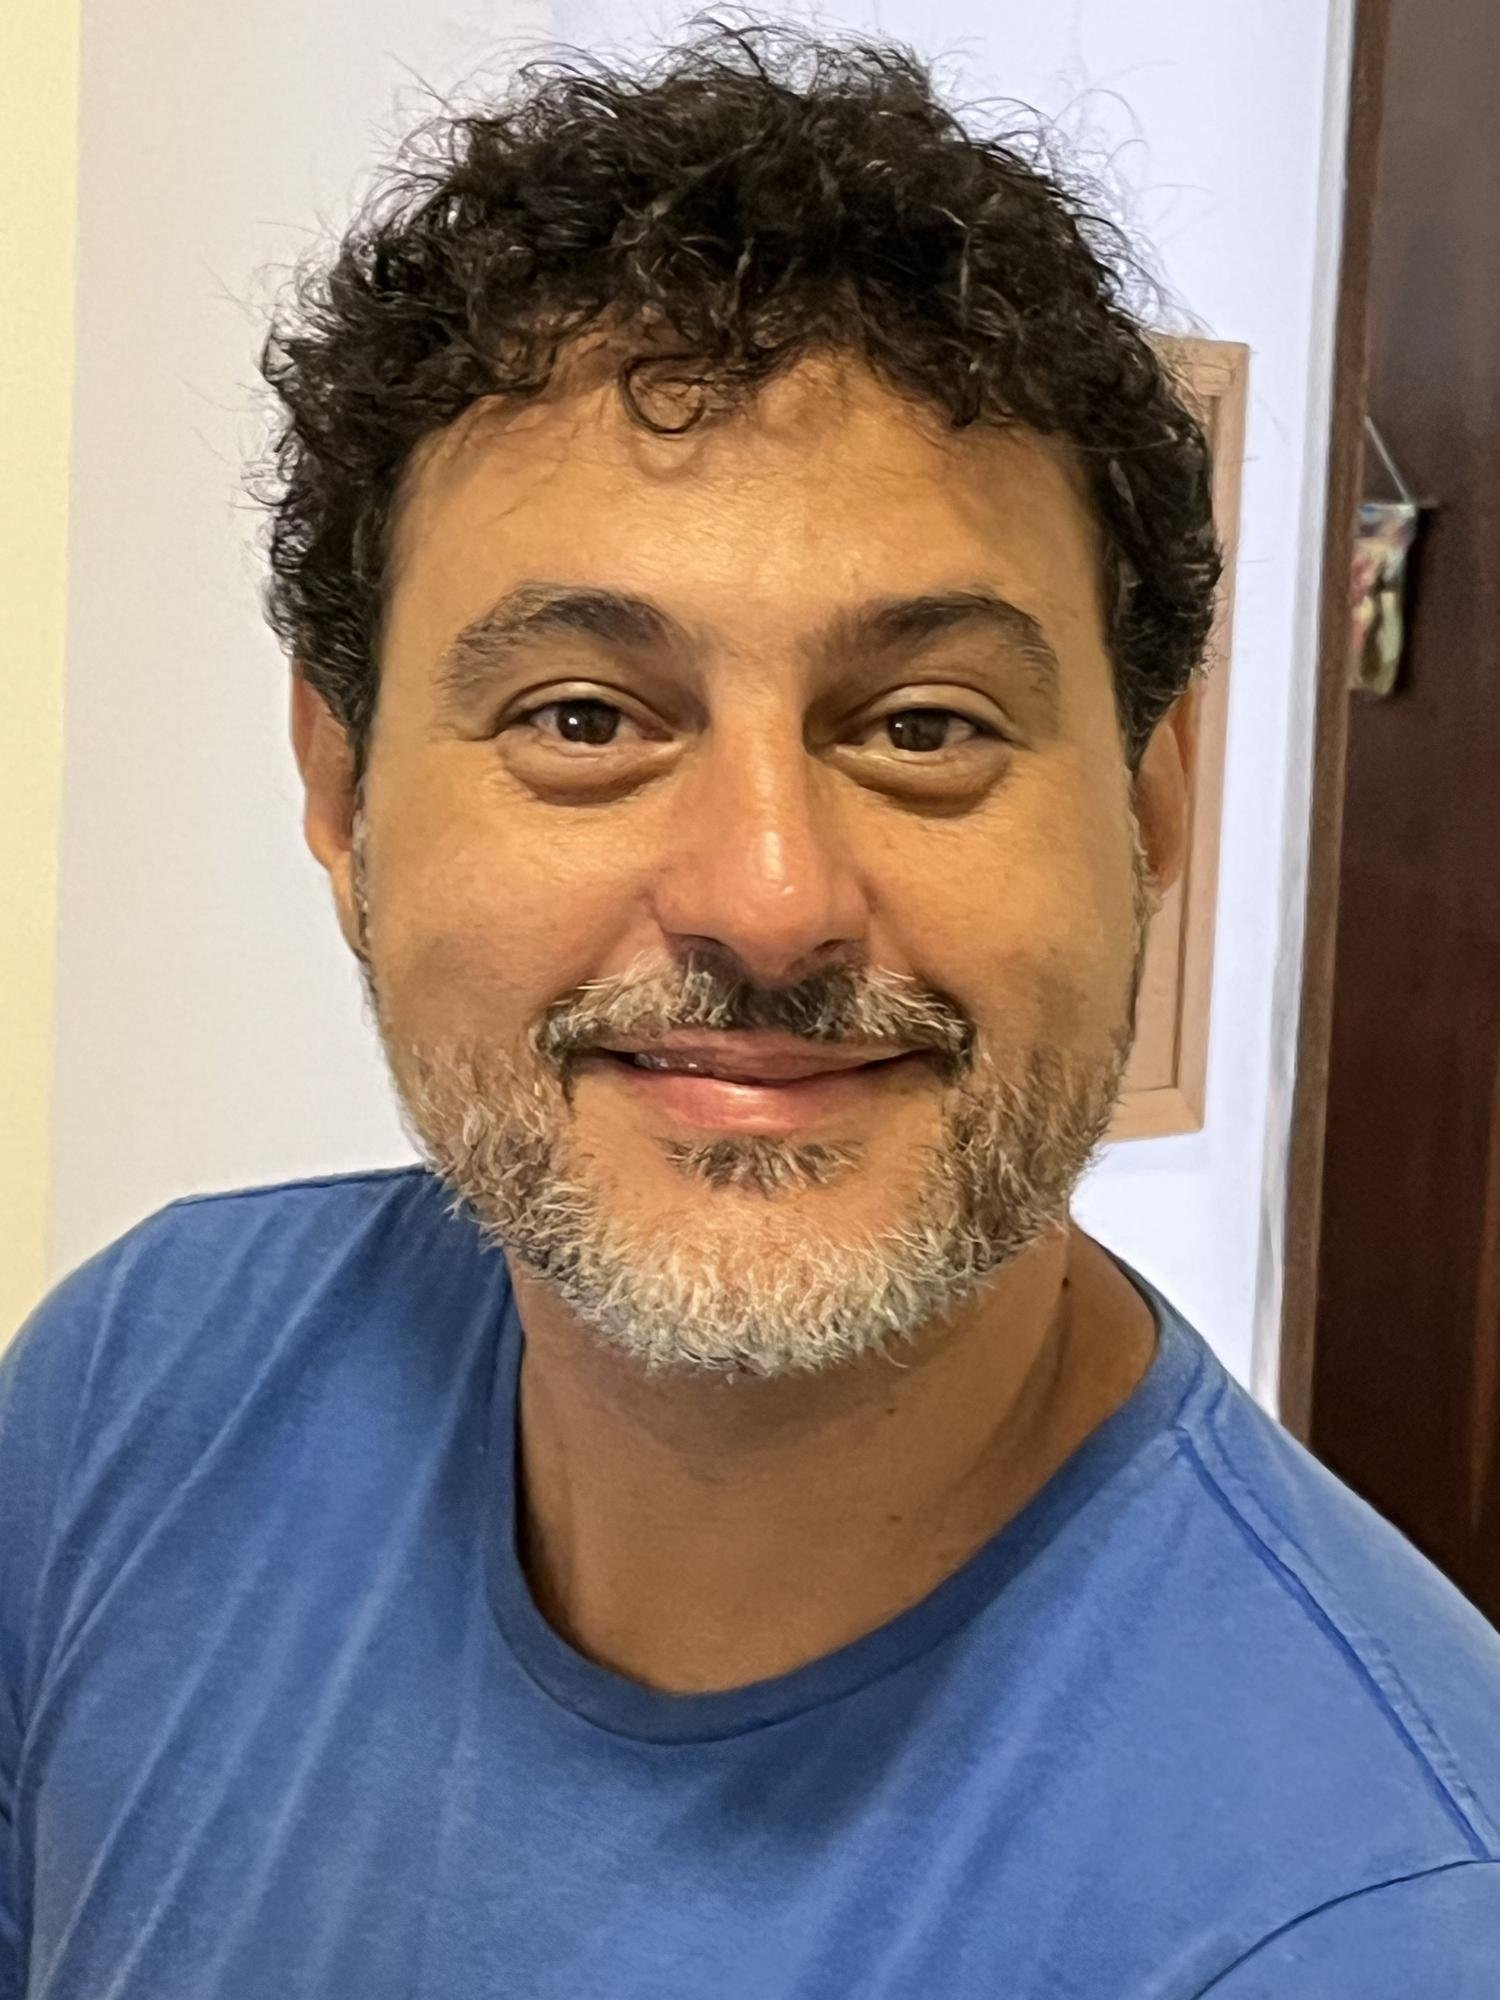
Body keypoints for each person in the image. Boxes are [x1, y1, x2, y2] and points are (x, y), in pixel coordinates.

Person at [3, 17, 1498, 1997]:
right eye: (584, 718)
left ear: (1151, 805)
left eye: (926, 727)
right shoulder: (139, 1391)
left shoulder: (1387, 1915)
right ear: (343, 790)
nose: (771, 898)